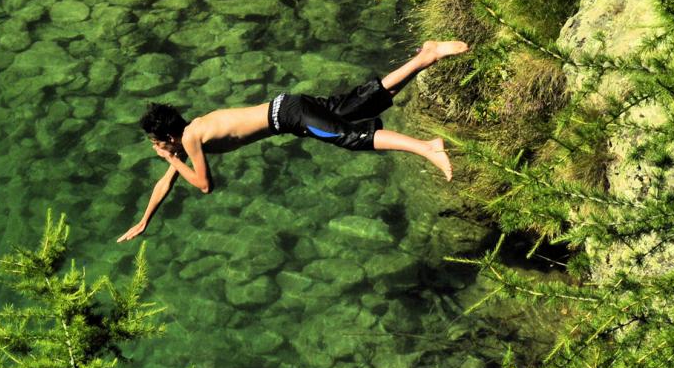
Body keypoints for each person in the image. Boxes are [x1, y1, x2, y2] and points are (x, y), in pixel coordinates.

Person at [116, 40, 469, 242]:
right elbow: (167, 182)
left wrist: (170, 159)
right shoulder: (192, 131)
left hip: (289, 116)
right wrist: (145, 219)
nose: (158, 149)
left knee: (351, 138)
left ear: (167, 137)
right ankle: (427, 56)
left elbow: (204, 185)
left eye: (158, 142)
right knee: (365, 102)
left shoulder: (191, 138)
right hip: (289, 107)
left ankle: (427, 147)